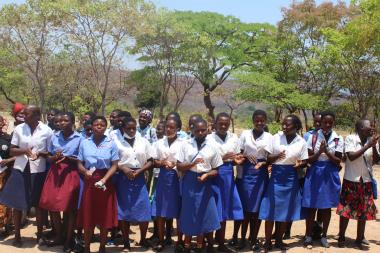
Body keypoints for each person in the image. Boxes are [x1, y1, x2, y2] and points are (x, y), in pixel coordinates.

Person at [0, 105, 53, 247]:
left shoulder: (47, 131)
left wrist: (41, 154)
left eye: (26, 113)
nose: (23, 115)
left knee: (39, 205)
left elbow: (49, 153)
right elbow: (12, 151)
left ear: (37, 115)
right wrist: (24, 151)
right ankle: (17, 236)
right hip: (20, 170)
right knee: (18, 205)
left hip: (38, 171)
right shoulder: (19, 129)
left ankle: (40, 235)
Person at [259, 114, 308, 252]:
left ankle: (279, 241)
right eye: (283, 124)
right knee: (270, 210)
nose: (284, 127)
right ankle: (268, 242)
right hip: (276, 176)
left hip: (291, 177)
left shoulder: (301, 142)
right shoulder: (276, 138)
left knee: (285, 212)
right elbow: (267, 158)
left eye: (288, 125)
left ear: (296, 127)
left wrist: (300, 164)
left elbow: (304, 161)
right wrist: (276, 156)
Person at [176, 118, 223, 253]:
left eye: (203, 130)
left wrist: (207, 175)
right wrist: (192, 164)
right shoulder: (185, 145)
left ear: (208, 130)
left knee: (203, 212)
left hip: (205, 181)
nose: (201, 133)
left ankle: (199, 245)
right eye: (197, 130)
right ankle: (186, 245)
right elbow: (179, 165)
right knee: (188, 212)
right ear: (192, 130)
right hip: (189, 181)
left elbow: (216, 169)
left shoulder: (212, 146)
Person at [39, 112, 82, 252]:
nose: (62, 123)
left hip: (70, 173)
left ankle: (68, 240)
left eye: (66, 120)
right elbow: (49, 157)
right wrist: (54, 157)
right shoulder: (54, 136)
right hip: (55, 172)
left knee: (69, 209)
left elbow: (82, 160)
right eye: (61, 120)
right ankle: (59, 236)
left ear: (73, 122)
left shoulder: (80, 138)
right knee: (53, 206)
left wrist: (68, 158)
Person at [77, 116, 119, 253]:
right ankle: (87, 247)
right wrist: (85, 172)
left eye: (102, 124)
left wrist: (104, 180)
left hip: (105, 182)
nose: (99, 127)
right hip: (89, 181)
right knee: (89, 216)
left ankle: (102, 247)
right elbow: (79, 163)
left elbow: (114, 165)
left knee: (104, 217)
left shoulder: (111, 143)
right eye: (96, 124)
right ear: (92, 126)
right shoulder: (84, 143)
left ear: (106, 127)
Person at [302, 111, 343, 248]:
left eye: (330, 122)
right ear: (321, 122)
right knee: (311, 206)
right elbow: (309, 159)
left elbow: (338, 161)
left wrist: (327, 152)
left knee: (326, 207)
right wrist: (319, 152)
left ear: (333, 123)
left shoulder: (338, 139)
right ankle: (308, 236)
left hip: (330, 173)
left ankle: (324, 236)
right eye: (325, 122)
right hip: (314, 172)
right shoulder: (313, 137)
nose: (327, 125)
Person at [336, 119, 379, 249]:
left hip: (365, 180)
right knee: (346, 209)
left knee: (364, 211)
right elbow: (351, 156)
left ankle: (359, 238)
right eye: (368, 126)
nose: (371, 128)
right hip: (351, 179)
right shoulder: (350, 138)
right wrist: (367, 146)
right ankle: (342, 236)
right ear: (360, 128)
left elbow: (376, 160)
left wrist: (373, 146)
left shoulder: (372, 141)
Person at [112, 116, 153, 251]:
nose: (131, 130)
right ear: (122, 128)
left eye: (134, 128)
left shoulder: (144, 141)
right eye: (128, 128)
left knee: (144, 208)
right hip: (123, 177)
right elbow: (112, 161)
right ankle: (126, 242)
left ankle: (143, 239)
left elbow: (150, 160)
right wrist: (123, 168)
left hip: (140, 177)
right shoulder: (116, 141)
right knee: (124, 210)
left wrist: (140, 171)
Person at [234, 110, 272, 251]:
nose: (259, 123)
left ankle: (254, 239)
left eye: (262, 120)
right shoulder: (245, 134)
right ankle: (242, 239)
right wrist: (244, 157)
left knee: (256, 210)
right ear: (253, 120)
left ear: (265, 121)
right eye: (257, 120)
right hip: (245, 174)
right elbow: (239, 152)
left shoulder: (269, 137)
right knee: (245, 210)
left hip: (261, 174)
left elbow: (271, 157)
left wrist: (264, 163)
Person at [207, 112, 244, 252]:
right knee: (212, 209)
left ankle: (221, 243)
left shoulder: (234, 137)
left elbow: (234, 159)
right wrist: (222, 158)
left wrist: (236, 161)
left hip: (228, 176)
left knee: (224, 211)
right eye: (220, 123)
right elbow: (206, 161)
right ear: (215, 124)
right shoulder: (208, 138)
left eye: (226, 124)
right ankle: (209, 244)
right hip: (213, 175)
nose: (223, 126)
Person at [152, 118, 184, 252]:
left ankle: (180, 241)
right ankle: (161, 240)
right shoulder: (159, 143)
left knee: (179, 210)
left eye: (172, 127)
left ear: (178, 129)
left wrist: (176, 164)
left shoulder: (184, 143)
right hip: (163, 178)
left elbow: (187, 161)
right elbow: (153, 160)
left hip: (178, 178)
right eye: (167, 127)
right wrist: (161, 163)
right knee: (161, 210)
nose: (169, 129)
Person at [0, 115, 15, 238]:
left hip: (4, 174)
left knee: (4, 202)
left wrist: (8, 161)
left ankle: (6, 225)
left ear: (2, 123)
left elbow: (17, 155)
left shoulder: (8, 139)